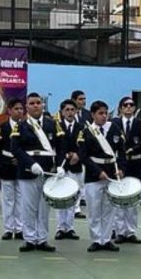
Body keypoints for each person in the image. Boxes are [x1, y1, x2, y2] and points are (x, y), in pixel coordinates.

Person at [11, 92, 66, 252]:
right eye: (32, 103)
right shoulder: (20, 125)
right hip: (28, 171)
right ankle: (29, 238)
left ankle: (42, 239)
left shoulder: (52, 124)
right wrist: (30, 163)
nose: (36, 106)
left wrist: (61, 165)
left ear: (43, 105)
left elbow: (61, 146)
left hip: (48, 171)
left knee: (44, 207)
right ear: (27, 107)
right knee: (28, 206)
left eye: (38, 103)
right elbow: (15, 148)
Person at [77, 100, 124, 252]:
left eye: (106, 113)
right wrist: (97, 172)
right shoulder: (86, 132)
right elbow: (83, 156)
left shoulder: (115, 128)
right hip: (93, 175)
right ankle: (97, 239)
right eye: (100, 113)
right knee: (94, 209)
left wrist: (121, 169)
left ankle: (107, 238)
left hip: (111, 172)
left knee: (110, 208)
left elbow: (122, 152)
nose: (104, 116)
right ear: (93, 115)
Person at [111, 96, 141, 244]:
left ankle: (130, 231)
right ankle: (119, 231)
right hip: (119, 165)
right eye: (125, 105)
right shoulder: (113, 123)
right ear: (120, 108)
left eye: (131, 105)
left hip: (135, 164)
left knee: (133, 201)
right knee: (119, 201)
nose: (128, 107)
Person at [0, 98, 25, 240]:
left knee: (20, 199)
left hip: (22, 166)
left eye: (21, 109)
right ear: (9, 111)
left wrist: (21, 160)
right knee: (7, 200)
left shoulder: (27, 127)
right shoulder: (2, 127)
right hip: (6, 166)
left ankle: (19, 228)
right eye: (16, 109)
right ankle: (8, 228)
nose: (20, 111)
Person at [55, 99, 83, 240]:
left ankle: (70, 228)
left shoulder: (81, 127)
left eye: (72, 110)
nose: (70, 113)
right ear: (62, 112)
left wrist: (78, 155)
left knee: (72, 198)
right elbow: (55, 145)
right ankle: (60, 228)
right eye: (67, 110)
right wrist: (64, 155)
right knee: (61, 198)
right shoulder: (57, 126)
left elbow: (85, 146)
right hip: (61, 166)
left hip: (76, 165)